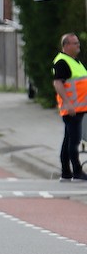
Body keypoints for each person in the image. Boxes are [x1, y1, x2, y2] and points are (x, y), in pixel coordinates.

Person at [52, 33, 87, 182]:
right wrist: (67, 103)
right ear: (66, 45)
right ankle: (77, 172)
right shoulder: (62, 62)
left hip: (78, 108)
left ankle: (66, 173)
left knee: (68, 140)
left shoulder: (74, 62)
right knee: (74, 141)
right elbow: (58, 83)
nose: (78, 45)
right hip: (72, 109)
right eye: (75, 43)